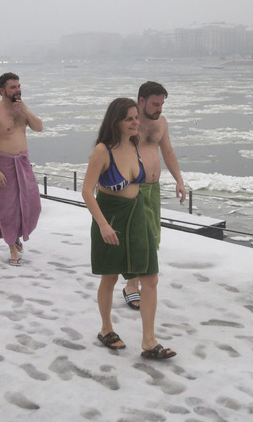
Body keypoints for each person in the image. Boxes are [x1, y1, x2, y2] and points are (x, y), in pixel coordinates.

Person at [83, 97, 176, 359]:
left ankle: (149, 340)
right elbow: (87, 192)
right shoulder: (103, 150)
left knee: (151, 278)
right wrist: (102, 225)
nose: (137, 122)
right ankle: (106, 329)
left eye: (136, 117)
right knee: (110, 277)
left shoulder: (135, 143)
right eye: (130, 119)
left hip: (137, 216)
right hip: (110, 217)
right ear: (116, 122)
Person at [121, 81, 186, 311]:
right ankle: (131, 285)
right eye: (155, 104)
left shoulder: (161, 124)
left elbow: (167, 151)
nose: (159, 109)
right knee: (137, 238)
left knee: (152, 237)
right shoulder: (127, 123)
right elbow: (107, 149)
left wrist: (179, 180)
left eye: (162, 104)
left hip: (153, 188)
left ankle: (139, 281)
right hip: (132, 188)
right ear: (141, 101)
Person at [0, 72, 43, 266]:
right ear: (2, 91)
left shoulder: (21, 110)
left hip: (23, 161)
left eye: (18, 86)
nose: (17, 90)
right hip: (4, 163)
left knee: (33, 203)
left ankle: (17, 235)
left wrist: (25, 111)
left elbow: (38, 127)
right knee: (7, 208)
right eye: (12, 87)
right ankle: (11, 246)